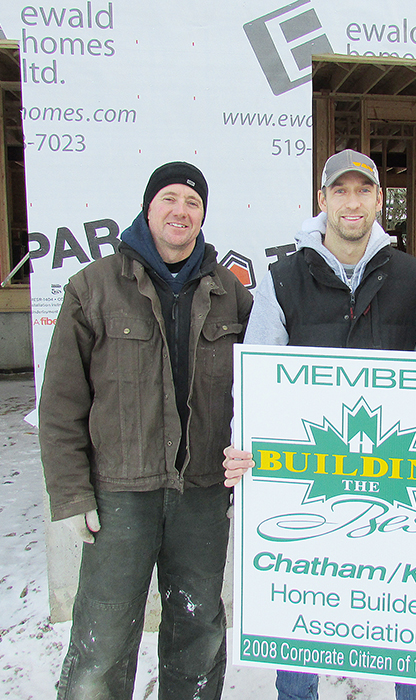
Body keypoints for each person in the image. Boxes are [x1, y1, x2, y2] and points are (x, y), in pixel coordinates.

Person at [223, 149, 416, 700]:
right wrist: (243, 447)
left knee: (408, 622)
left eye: (364, 190)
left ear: (378, 201)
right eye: (340, 191)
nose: (353, 202)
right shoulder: (282, 280)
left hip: (395, 476)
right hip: (307, 481)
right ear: (322, 200)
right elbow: (258, 377)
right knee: (299, 621)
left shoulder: (411, 276)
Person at [39, 161, 253, 700]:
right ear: (148, 207)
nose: (181, 211)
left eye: (193, 203)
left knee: (197, 634)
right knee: (103, 640)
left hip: (203, 492)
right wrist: (70, 494)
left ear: (203, 216)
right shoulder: (94, 288)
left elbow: (258, 391)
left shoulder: (232, 294)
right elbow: (61, 402)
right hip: (120, 494)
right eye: (170, 199)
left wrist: (251, 456)